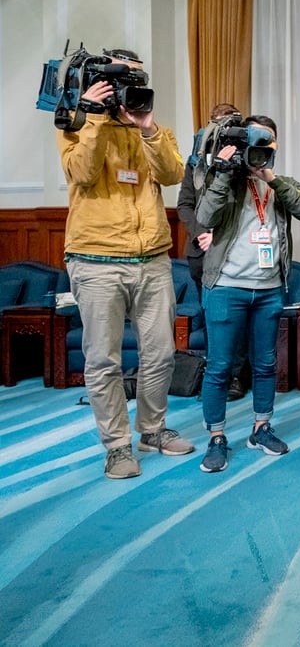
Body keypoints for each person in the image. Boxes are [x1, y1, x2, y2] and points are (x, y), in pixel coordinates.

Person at [57, 48, 195, 480]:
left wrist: (147, 128)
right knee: (103, 361)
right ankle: (117, 446)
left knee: (163, 353)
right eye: (121, 81)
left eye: (135, 82)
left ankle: (151, 429)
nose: (127, 90)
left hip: (152, 258)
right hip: (96, 259)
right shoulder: (74, 125)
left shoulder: (154, 129)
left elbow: (173, 175)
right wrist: (95, 116)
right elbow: (81, 172)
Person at [194, 115, 300, 473]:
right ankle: (216, 436)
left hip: (268, 290)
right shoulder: (224, 181)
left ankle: (261, 428)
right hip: (226, 288)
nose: (263, 151)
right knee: (219, 366)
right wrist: (224, 173)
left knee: (265, 364)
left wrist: (271, 178)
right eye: (256, 145)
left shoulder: (280, 184)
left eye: (269, 144)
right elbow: (205, 215)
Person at [177, 102, 250, 402]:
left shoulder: (247, 160)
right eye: (217, 125)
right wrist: (201, 232)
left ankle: (236, 376)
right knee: (211, 317)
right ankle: (215, 374)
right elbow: (185, 205)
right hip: (200, 252)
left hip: (235, 251)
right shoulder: (195, 162)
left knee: (237, 318)